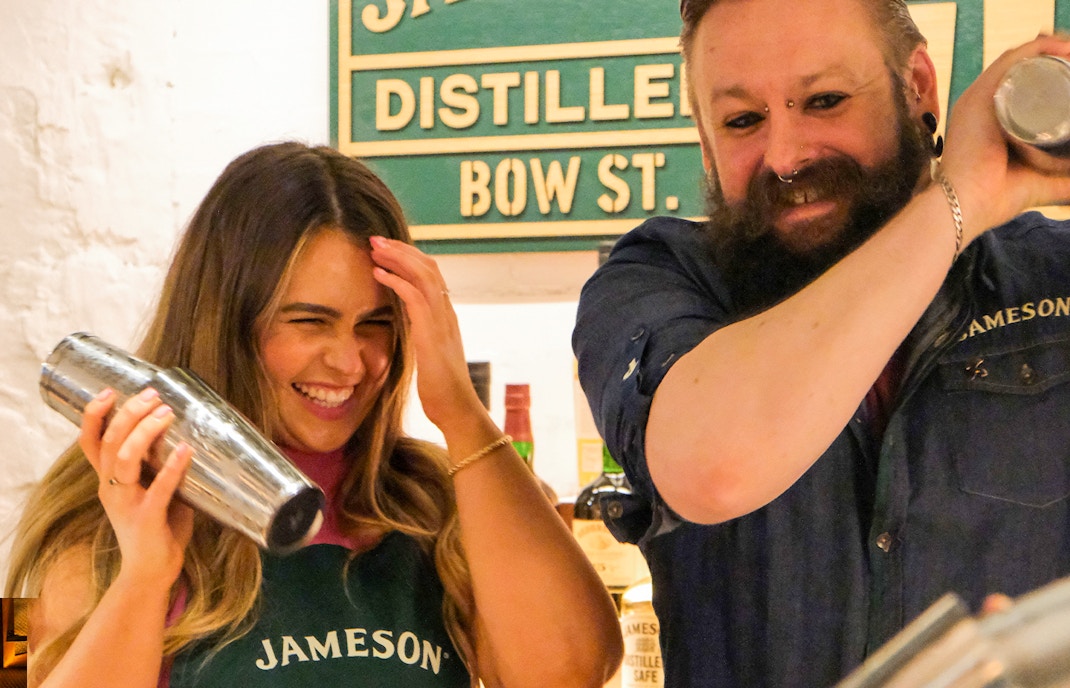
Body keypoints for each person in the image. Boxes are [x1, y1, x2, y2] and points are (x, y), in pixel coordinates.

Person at [573, 0, 1070, 685]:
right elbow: (717, 465)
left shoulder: (1053, 279)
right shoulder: (658, 280)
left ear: (918, 86)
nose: (786, 156)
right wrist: (960, 200)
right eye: (743, 120)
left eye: (825, 100)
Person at [8, 141, 623, 688]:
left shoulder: (445, 502)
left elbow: (578, 671)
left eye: (376, 324)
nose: (351, 362)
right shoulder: (74, 521)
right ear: (225, 320)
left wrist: (460, 412)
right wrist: (145, 576)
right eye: (310, 321)